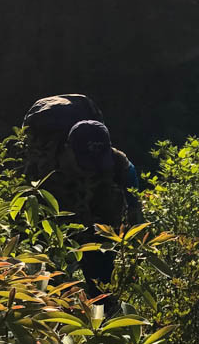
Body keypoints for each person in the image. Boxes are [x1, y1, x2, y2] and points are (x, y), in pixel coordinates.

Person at [21, 96, 143, 311]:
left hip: (98, 224)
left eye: (98, 162)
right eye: (85, 163)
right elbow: (29, 216)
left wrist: (134, 232)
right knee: (52, 287)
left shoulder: (118, 163)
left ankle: (103, 319)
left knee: (103, 285)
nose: (92, 168)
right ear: (68, 149)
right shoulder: (43, 170)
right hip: (59, 226)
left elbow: (133, 200)